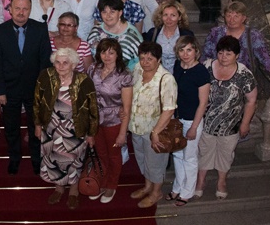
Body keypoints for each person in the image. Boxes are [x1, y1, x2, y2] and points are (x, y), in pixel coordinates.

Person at [0, 0, 52, 175]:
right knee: (11, 127)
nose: (21, 12)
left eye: (25, 8)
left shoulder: (40, 29)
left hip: (34, 88)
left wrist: (42, 89)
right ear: (10, 9)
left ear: (30, 10)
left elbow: (45, 61)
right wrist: (0, 91)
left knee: (36, 127)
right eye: (17, 8)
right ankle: (14, 158)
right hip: (9, 89)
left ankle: (36, 159)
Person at [34, 47, 98, 209]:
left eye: (65, 63)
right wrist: (37, 124)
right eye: (58, 62)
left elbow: (93, 108)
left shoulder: (84, 81)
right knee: (54, 159)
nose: (61, 66)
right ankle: (59, 188)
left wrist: (91, 133)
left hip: (75, 129)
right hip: (51, 128)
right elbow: (37, 102)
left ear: (74, 64)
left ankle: (74, 191)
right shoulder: (46, 76)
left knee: (74, 160)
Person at [195, 36, 257, 200]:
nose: (223, 57)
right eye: (221, 53)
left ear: (237, 55)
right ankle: (200, 181)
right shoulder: (206, 67)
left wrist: (245, 123)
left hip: (231, 124)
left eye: (228, 54)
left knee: (226, 153)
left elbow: (251, 101)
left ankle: (221, 181)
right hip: (206, 121)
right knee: (204, 151)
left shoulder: (244, 74)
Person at [201, 1, 270, 96]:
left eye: (236, 16)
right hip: (217, 82)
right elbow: (206, 57)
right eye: (229, 16)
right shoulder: (215, 33)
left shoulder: (253, 36)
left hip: (242, 85)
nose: (231, 20)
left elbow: (265, 59)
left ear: (243, 18)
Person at [129, 41, 177, 209]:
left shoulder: (166, 79)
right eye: (142, 58)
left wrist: (156, 132)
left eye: (150, 59)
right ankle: (147, 186)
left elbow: (169, 109)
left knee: (156, 163)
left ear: (159, 59)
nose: (145, 62)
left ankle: (156, 192)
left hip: (155, 130)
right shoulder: (137, 69)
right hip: (136, 126)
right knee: (142, 158)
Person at [86, 39, 133, 203]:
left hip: (114, 120)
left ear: (117, 54)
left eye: (111, 52)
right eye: (103, 52)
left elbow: (127, 107)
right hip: (95, 119)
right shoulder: (93, 69)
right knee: (101, 154)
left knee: (113, 155)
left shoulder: (124, 75)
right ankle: (103, 181)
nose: (107, 56)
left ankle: (111, 185)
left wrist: (123, 133)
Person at [168, 35, 210, 207]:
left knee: (189, 157)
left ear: (196, 51)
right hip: (177, 118)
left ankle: (187, 192)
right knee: (177, 155)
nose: (185, 54)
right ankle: (177, 187)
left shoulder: (201, 72)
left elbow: (203, 103)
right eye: (182, 50)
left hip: (192, 120)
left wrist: (193, 127)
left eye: (189, 50)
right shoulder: (177, 66)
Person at [87, 0, 143, 70]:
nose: (108, 16)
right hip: (97, 73)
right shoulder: (95, 30)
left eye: (112, 12)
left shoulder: (132, 35)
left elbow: (140, 62)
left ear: (120, 13)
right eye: (104, 12)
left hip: (125, 74)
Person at [144, 0, 194, 74]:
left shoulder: (186, 35)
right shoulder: (152, 33)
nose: (168, 19)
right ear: (161, 16)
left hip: (179, 75)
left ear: (179, 17)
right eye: (165, 15)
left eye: (173, 15)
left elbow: (192, 58)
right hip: (156, 74)